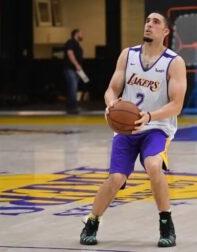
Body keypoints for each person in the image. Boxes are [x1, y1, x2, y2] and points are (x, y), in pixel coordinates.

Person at [80, 12, 187, 247]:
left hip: (156, 127)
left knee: (153, 165)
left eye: (156, 22)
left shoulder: (174, 62)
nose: (149, 25)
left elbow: (176, 105)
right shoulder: (127, 55)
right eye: (147, 21)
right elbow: (112, 89)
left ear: (165, 32)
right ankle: (92, 220)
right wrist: (111, 105)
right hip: (127, 130)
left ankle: (166, 223)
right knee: (116, 178)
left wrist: (150, 116)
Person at [63, 28, 85, 114]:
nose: (82, 35)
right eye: (81, 33)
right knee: (73, 87)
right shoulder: (71, 42)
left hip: (75, 69)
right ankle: (72, 108)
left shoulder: (76, 44)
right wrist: (76, 64)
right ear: (76, 33)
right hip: (70, 69)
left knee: (74, 88)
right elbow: (70, 53)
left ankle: (72, 106)